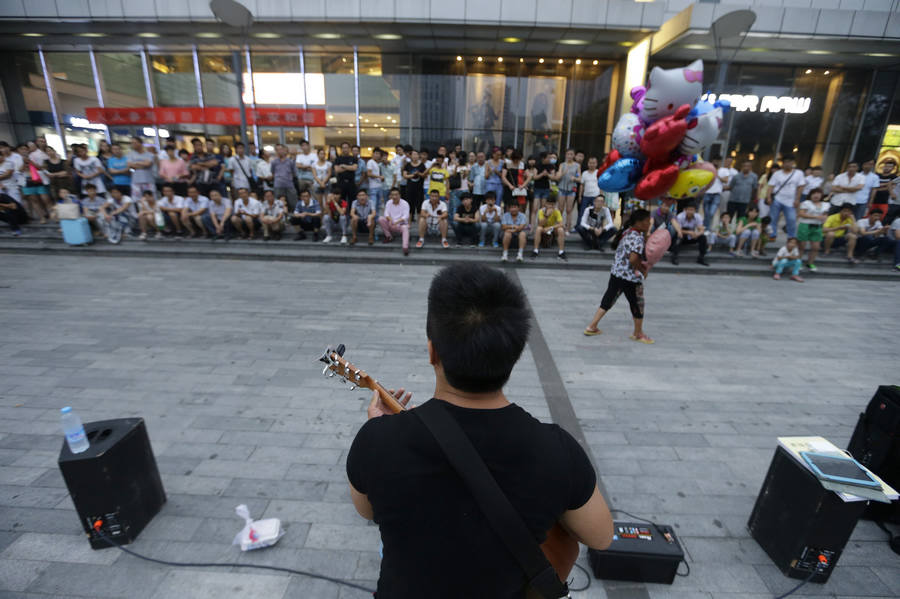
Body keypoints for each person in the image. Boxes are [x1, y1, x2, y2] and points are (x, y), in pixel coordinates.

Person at [347, 263, 613, 598]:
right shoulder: (557, 451)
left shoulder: (377, 440)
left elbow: (367, 509)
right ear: (514, 355)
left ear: (432, 351)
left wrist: (383, 433)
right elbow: (601, 536)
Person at [584, 209, 653, 343]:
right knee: (637, 304)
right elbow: (633, 259)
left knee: (608, 299)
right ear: (639, 223)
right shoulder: (637, 238)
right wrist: (643, 269)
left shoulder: (627, 232)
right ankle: (638, 333)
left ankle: (592, 326)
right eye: (647, 222)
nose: (649, 224)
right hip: (630, 277)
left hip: (617, 272)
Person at [766, 155, 804, 238]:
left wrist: (797, 199)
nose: (788, 164)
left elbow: (800, 187)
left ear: (793, 163)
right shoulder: (777, 173)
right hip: (777, 199)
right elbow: (771, 186)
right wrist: (768, 197)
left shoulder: (799, 173)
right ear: (783, 163)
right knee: (773, 218)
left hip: (790, 201)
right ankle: (772, 235)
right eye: (786, 162)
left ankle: (791, 237)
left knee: (791, 219)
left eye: (790, 162)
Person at [796, 187, 829, 271]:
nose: (816, 195)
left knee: (815, 247)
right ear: (810, 195)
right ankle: (798, 262)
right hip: (805, 225)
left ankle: (810, 263)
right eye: (814, 193)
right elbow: (801, 214)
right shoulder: (806, 203)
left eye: (818, 193)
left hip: (817, 226)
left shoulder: (826, 204)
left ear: (821, 195)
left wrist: (824, 218)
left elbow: (825, 215)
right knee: (801, 246)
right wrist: (816, 217)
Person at [532, 196, 567, 262]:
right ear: (545, 204)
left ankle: (561, 252)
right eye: (549, 204)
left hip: (552, 229)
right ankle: (535, 251)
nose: (550, 206)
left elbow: (561, 224)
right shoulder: (541, 211)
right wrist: (547, 215)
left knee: (561, 230)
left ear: (555, 204)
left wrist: (551, 227)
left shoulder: (556, 211)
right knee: (538, 229)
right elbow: (540, 224)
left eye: (552, 204)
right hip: (543, 228)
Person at [378, 187, 411, 255]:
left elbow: (406, 216)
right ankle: (389, 236)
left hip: (401, 224)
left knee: (405, 228)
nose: (394, 196)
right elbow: (386, 214)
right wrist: (391, 220)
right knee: (380, 219)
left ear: (400, 195)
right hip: (391, 223)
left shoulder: (405, 203)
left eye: (396, 194)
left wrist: (397, 222)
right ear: (390, 195)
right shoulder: (389, 202)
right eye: (392, 195)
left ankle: (405, 247)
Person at [554, 148, 581, 232]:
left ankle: (568, 228)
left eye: (571, 154)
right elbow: (557, 177)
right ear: (565, 155)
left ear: (574, 155)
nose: (569, 156)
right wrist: (562, 173)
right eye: (568, 154)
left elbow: (580, 178)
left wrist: (575, 179)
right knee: (560, 209)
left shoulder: (577, 165)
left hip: (572, 189)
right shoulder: (562, 165)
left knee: (569, 210)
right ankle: (559, 227)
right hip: (562, 188)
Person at [126, 137, 157, 201]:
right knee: (136, 200)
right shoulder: (130, 154)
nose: (133, 144)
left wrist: (136, 163)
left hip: (148, 181)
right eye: (132, 143)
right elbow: (129, 165)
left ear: (140, 143)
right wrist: (143, 164)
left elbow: (148, 164)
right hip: (136, 181)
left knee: (151, 200)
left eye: (135, 143)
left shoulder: (149, 154)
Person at [271, 144, 299, 211]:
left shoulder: (290, 161)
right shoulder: (274, 162)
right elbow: (273, 172)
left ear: (284, 150)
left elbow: (294, 173)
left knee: (293, 204)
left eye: (281, 149)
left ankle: (294, 219)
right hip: (278, 185)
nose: (279, 151)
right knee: (278, 204)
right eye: (277, 150)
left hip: (289, 185)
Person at [366, 147, 386, 216]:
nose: (377, 155)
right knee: (373, 205)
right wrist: (379, 177)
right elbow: (369, 174)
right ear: (373, 154)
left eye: (379, 154)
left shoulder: (377, 163)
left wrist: (381, 178)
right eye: (376, 153)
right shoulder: (370, 162)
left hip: (379, 186)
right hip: (373, 187)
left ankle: (376, 220)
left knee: (378, 205)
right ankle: (372, 219)